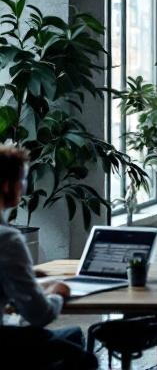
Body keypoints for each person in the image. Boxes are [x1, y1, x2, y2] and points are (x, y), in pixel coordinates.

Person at [0, 145, 98, 370]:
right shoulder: (8, 239)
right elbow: (39, 315)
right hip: (5, 343)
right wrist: (56, 293)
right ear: (6, 185)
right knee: (86, 360)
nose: (24, 187)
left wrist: (29, 275)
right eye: (22, 180)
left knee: (72, 335)